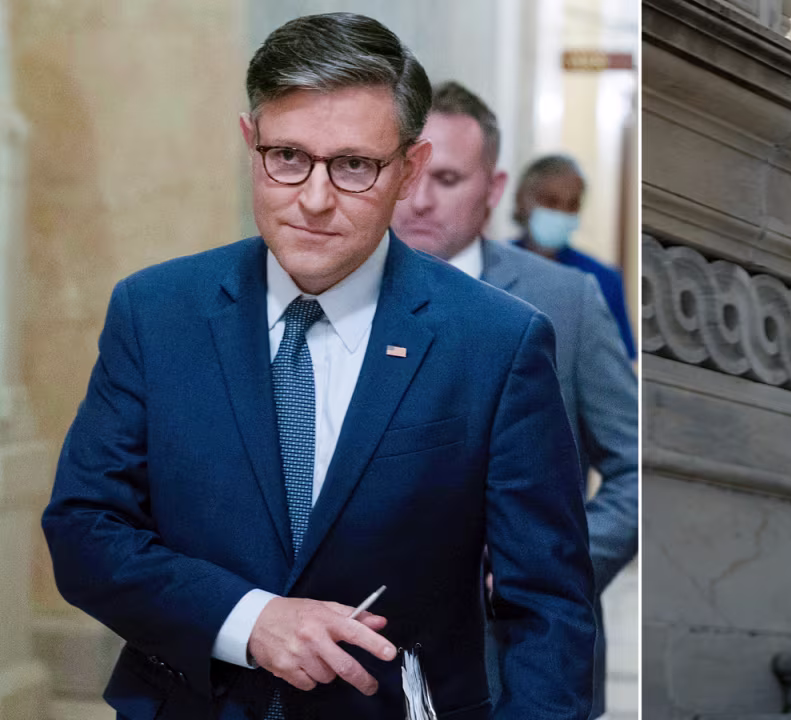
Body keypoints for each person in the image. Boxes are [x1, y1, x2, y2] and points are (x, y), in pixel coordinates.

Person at [42, 13, 595, 720]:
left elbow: (548, 605)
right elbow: (86, 530)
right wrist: (249, 620)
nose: (314, 198)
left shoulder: (495, 342)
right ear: (251, 143)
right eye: (288, 157)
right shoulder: (156, 314)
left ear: (409, 171)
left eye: (354, 165)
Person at [391, 81, 638, 720]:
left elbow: (639, 465)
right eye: (407, 172)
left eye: (446, 177)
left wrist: (560, 558)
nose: (418, 200)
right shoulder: (336, 293)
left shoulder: (568, 301)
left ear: (494, 191)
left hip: (522, 658)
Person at [512, 154, 637, 359]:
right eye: (551, 201)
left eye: (572, 204)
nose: (562, 213)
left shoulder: (602, 280)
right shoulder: (490, 265)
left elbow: (620, 364)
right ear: (522, 199)